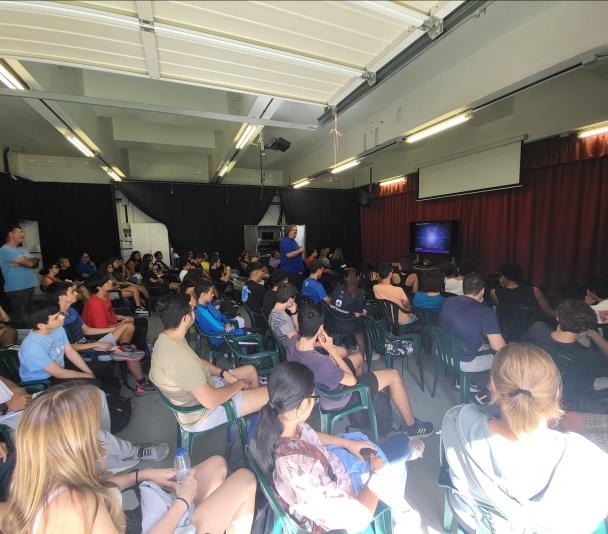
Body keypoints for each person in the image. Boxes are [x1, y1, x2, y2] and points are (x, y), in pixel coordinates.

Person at [1, 383, 256, 534]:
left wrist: (141, 475)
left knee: (216, 464)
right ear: (76, 445)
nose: (100, 437)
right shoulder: (78, 504)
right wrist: (181, 501)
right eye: (94, 431)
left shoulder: (30, 478)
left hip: (128, 521)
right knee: (245, 479)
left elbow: (96, 488)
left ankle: (203, 513)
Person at [441, 343, 608, 534]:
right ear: (557, 393)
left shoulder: (457, 420)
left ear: (493, 387)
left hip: (476, 517)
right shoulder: (590, 459)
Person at [251, 361, 424, 532]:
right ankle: (400, 513)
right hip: (345, 498)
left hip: (332, 469)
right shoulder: (301, 469)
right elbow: (358, 517)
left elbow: (309, 435)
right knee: (399, 449)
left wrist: (347, 444)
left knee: (375, 449)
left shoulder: (276, 426)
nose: (315, 401)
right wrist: (377, 474)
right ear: (303, 405)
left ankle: (402, 483)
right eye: (314, 397)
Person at [288, 303, 433, 438]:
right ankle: (412, 427)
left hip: (320, 385)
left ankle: (365, 405)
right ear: (321, 328)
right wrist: (330, 349)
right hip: (338, 397)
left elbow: (301, 338)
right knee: (393, 375)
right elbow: (351, 380)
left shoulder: (292, 343)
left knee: (357, 357)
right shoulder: (321, 363)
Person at [150, 293, 268, 434]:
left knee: (250, 370)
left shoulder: (166, 338)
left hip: (204, 387)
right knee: (270, 394)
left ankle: (249, 420)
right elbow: (210, 401)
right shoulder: (180, 358)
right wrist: (239, 385)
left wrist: (222, 373)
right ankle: (250, 423)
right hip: (202, 413)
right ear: (186, 318)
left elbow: (198, 362)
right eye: (193, 309)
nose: (196, 312)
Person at [82, 274, 155, 394]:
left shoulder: (104, 296)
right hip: (100, 336)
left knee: (140, 322)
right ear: (99, 287)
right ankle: (134, 354)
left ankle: (134, 352)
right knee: (133, 329)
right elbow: (103, 328)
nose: (111, 281)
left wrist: (121, 317)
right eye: (107, 281)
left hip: (109, 329)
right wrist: (122, 324)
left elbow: (109, 315)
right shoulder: (95, 304)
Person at [524, 299, 608, 396]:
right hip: (568, 394)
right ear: (584, 327)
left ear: (557, 317)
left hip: (536, 384)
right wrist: (593, 333)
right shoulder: (590, 356)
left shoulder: (537, 329)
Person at [0, 224, 39, 326]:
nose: (23, 234)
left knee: (30, 315)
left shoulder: (23, 249)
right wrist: (28, 262)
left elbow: (36, 263)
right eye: (20, 232)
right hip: (17, 289)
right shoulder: (5, 249)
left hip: (29, 285)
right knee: (21, 318)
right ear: (10, 234)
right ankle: (19, 339)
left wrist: (24, 262)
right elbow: (30, 263)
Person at [194, 279, 249, 348]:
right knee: (257, 338)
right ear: (203, 295)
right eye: (211, 293)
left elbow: (221, 316)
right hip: (221, 339)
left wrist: (228, 323)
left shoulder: (207, 305)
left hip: (225, 333)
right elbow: (220, 329)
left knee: (254, 332)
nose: (213, 295)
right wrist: (241, 332)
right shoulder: (203, 313)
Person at [328, 268, 366, 352]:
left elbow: (332, 303)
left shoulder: (337, 288)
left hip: (332, 322)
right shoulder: (359, 293)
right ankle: (362, 354)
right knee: (364, 325)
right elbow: (357, 314)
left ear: (345, 278)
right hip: (347, 325)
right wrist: (364, 313)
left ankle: (350, 345)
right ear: (358, 278)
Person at [269, 283, 300, 349]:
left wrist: (294, 313)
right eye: (294, 299)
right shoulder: (283, 318)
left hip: (285, 347)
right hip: (291, 351)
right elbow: (298, 343)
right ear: (290, 300)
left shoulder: (273, 312)